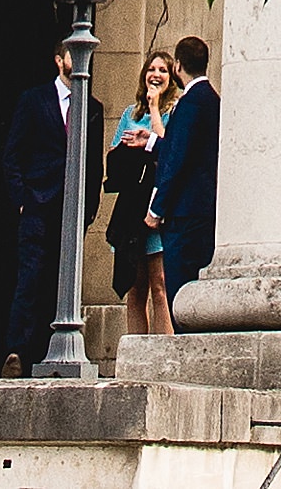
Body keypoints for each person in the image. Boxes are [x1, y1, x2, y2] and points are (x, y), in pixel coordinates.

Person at [0, 38, 75, 377]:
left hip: (70, 210)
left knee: (63, 284)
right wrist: (21, 200)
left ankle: (54, 355)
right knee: (30, 278)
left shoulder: (92, 105)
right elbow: (12, 155)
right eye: (72, 53)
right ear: (59, 60)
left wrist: (85, 212)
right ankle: (17, 351)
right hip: (36, 204)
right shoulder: (34, 100)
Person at [149, 33, 218, 315]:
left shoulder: (191, 102)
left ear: (177, 65)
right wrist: (151, 141)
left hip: (185, 213)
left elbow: (178, 160)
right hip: (203, 210)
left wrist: (157, 208)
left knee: (180, 290)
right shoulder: (212, 98)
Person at [104, 57, 171, 341]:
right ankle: (135, 351)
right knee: (135, 285)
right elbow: (113, 154)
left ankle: (164, 351)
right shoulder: (129, 113)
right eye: (152, 69)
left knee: (160, 284)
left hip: (156, 204)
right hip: (131, 205)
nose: (156, 75)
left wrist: (155, 108)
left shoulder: (173, 111)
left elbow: (167, 148)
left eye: (163, 71)